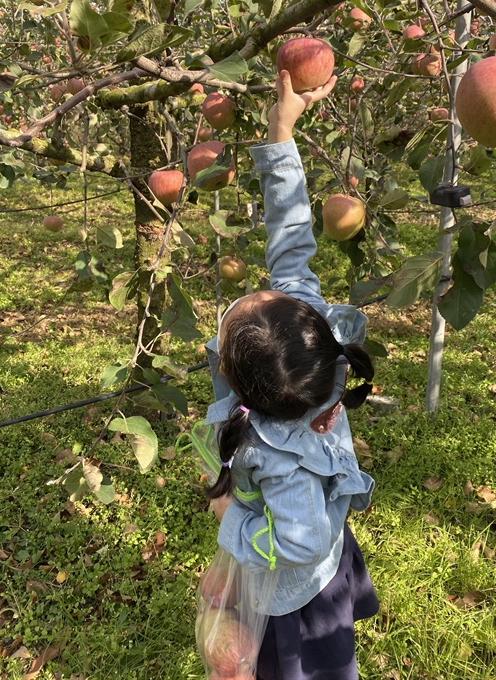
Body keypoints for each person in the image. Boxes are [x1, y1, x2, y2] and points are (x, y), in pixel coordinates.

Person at [202, 69, 379, 680]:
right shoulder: (309, 339)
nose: (264, 287)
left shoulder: (282, 458)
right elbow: (291, 241)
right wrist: (282, 131)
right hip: (315, 551)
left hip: (297, 594)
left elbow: (299, 541)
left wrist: (235, 520)